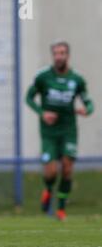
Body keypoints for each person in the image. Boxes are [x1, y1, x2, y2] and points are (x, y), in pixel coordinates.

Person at [26, 41, 94, 221]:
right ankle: (48, 189)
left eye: (62, 53)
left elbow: (89, 102)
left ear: (67, 56)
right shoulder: (43, 77)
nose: (59, 56)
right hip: (49, 132)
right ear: (53, 56)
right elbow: (29, 97)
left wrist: (87, 109)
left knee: (67, 169)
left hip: (68, 131)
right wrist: (43, 113)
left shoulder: (76, 79)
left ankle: (61, 208)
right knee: (50, 172)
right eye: (56, 53)